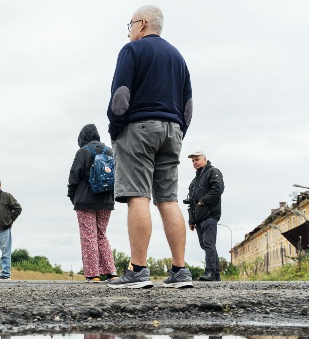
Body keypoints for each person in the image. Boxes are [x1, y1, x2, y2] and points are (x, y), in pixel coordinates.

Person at [107, 5, 193, 289]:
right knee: (168, 198)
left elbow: (121, 97)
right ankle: (180, 271)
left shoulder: (131, 51)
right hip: (173, 130)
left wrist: (115, 130)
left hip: (139, 128)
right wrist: (178, 132)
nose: (129, 30)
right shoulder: (178, 57)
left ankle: (138, 269)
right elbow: (188, 106)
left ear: (142, 24)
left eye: (130, 24)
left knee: (138, 196)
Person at [67, 124, 118, 283]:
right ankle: (110, 272)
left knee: (88, 236)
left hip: (85, 200)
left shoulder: (83, 152)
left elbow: (74, 177)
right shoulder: (109, 151)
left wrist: (72, 196)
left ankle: (93, 274)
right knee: (101, 235)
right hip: (106, 200)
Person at [186, 151, 225, 281]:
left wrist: (204, 200)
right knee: (205, 245)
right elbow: (191, 201)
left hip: (210, 214)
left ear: (205, 159)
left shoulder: (213, 172)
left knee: (209, 244)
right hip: (199, 218)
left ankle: (210, 272)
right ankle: (215, 274)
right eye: (193, 161)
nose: (195, 162)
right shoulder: (195, 180)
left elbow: (218, 189)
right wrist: (192, 220)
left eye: (197, 159)